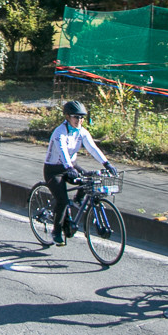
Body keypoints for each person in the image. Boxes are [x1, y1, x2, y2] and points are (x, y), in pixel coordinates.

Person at [43, 100, 116, 246]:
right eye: (76, 117)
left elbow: (93, 148)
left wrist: (106, 163)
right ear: (68, 117)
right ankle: (56, 231)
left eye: (82, 117)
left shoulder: (81, 131)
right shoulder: (60, 132)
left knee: (89, 179)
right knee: (62, 200)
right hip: (54, 169)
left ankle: (77, 200)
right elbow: (63, 150)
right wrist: (69, 168)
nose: (79, 120)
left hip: (71, 166)